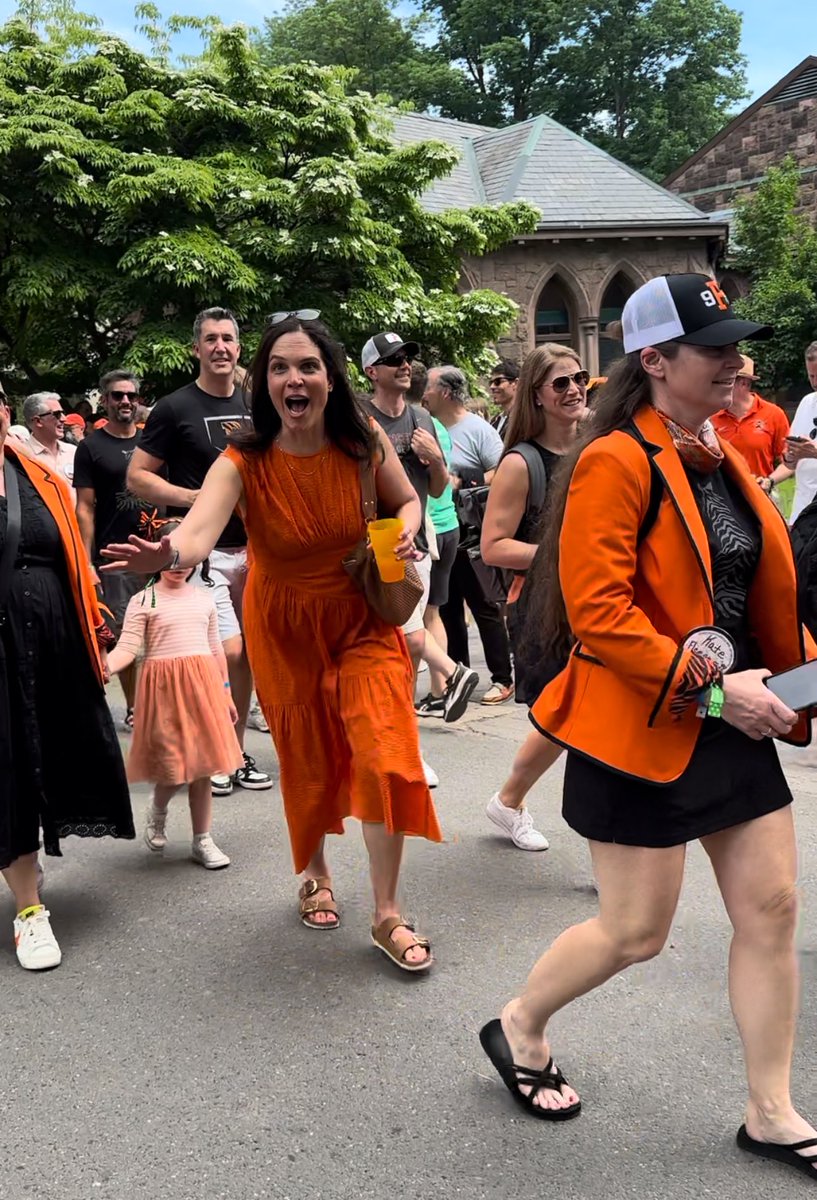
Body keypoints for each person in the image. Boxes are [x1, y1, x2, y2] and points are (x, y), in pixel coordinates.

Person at [478, 273, 817, 1184]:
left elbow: (750, 596)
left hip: (732, 717)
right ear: (655, 360)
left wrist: (798, 678)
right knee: (635, 933)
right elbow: (599, 615)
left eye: (735, 345)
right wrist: (716, 694)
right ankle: (518, 1026)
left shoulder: (719, 451)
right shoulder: (612, 459)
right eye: (715, 349)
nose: (736, 363)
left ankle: (772, 1111)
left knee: (772, 912)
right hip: (643, 726)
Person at [102, 313, 442, 972]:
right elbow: (200, 529)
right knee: (307, 756)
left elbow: (407, 500)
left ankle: (388, 912)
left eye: (307, 366)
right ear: (265, 382)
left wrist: (405, 529)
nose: (294, 378)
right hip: (283, 628)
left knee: (386, 755)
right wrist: (165, 550)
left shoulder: (360, 438)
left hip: (360, 620)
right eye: (281, 368)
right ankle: (314, 873)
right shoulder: (244, 457)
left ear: (329, 378)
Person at [0, 396, 134, 972]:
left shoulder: (35, 473)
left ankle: (26, 883)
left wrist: (90, 626)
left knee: (41, 755)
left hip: (52, 638)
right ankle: (29, 910)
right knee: (5, 763)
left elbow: (70, 557)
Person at [127, 306, 271, 796]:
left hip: (257, 550)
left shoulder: (258, 403)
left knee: (246, 655)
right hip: (202, 553)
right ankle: (209, 750)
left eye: (228, 339)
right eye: (210, 339)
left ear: (238, 347)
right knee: (218, 653)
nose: (220, 348)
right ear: (196, 348)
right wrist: (198, 498)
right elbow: (138, 476)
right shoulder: (174, 407)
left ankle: (233, 753)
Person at [480, 344, 588, 851]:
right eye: (560, 383)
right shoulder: (522, 463)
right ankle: (512, 802)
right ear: (537, 397)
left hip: (599, 600)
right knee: (567, 718)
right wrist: (564, 552)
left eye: (578, 378)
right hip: (546, 611)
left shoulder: (596, 446)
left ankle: (508, 801)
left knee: (577, 717)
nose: (574, 389)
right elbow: (493, 546)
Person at [360, 332, 479, 743]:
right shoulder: (360, 416)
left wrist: (434, 458)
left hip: (415, 538)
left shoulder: (421, 418)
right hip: (372, 539)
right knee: (402, 634)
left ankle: (402, 725)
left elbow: (438, 488)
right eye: (394, 359)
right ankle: (448, 674)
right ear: (371, 371)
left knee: (408, 636)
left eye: (408, 357)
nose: (405, 364)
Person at [106, 520, 241, 869]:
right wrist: (103, 667)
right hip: (164, 693)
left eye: (184, 558)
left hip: (204, 689)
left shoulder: (204, 599)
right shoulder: (143, 600)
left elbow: (216, 651)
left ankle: (202, 839)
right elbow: (126, 648)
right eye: (169, 558)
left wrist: (226, 694)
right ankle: (159, 808)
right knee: (174, 770)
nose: (178, 567)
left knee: (203, 768)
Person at [423, 365, 514, 704]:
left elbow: (503, 471)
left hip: (473, 531)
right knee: (447, 608)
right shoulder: (428, 427)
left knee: (483, 605)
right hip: (445, 529)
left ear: (445, 393)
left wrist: (464, 480)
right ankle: (457, 676)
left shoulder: (478, 430)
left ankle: (502, 678)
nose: (424, 394)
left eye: (429, 388)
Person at [74, 370, 153, 730]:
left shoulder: (153, 440)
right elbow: (85, 507)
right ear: (105, 401)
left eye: (131, 396)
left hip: (159, 553)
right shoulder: (91, 446)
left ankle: (161, 704)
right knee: (125, 636)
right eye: (118, 396)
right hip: (115, 557)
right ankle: (136, 707)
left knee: (165, 634)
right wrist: (86, 560)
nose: (125, 401)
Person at [711, 354, 790, 490]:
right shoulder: (710, 416)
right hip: (725, 496)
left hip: (762, 494)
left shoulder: (773, 414)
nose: (719, 386)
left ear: (744, 384)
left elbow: (790, 463)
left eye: (726, 381)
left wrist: (769, 481)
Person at [781, 341, 817, 524]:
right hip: (802, 516)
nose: (816, 383)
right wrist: (791, 456)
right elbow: (790, 464)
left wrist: (815, 453)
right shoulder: (806, 402)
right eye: (812, 376)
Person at [22, 392, 76, 489]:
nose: (64, 419)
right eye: (57, 414)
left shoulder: (73, 452)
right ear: (38, 421)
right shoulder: (21, 456)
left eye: (63, 413)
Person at [489, 359, 519, 438]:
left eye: (498, 382)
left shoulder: (524, 419)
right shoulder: (495, 420)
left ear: (515, 383)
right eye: (490, 382)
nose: (492, 387)